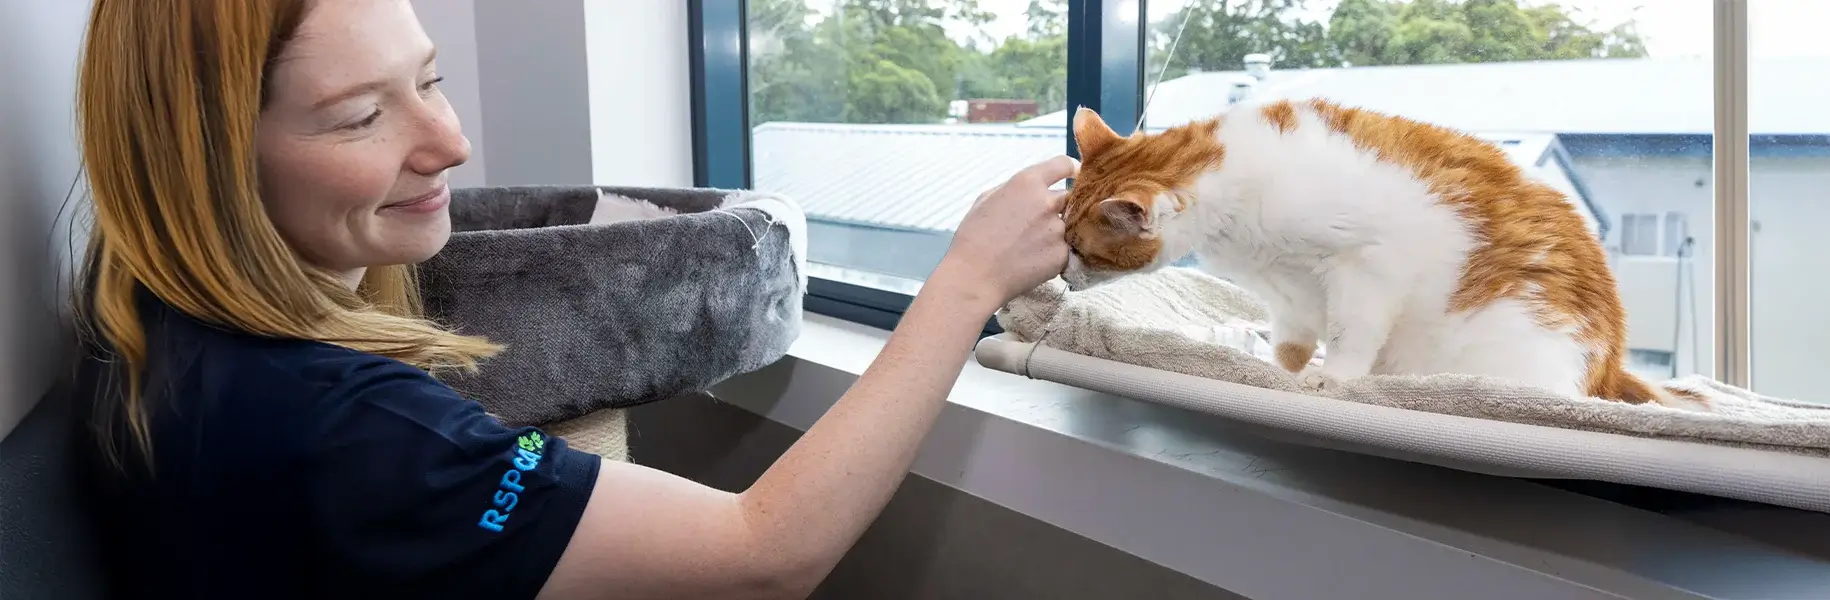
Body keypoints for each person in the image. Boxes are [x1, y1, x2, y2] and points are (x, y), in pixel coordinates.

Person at [65, 0, 1075, 598]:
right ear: (206, 165)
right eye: (362, 117)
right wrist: (966, 280)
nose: (450, 144)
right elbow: (769, 556)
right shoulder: (352, 434)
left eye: (432, 79)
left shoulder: (147, 311)